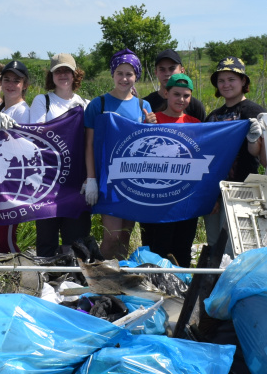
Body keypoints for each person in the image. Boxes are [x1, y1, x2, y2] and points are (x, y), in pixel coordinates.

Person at [83, 48, 155, 260]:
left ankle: (119, 281)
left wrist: (151, 125)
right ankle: (99, 278)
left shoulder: (144, 105)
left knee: (125, 235)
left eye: (129, 74)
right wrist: (91, 179)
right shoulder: (99, 104)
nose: (124, 78)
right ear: (113, 75)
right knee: (112, 236)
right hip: (107, 179)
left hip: (132, 178)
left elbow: (148, 146)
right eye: (120, 73)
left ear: (136, 77)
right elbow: (88, 144)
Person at [29, 53, 91, 258]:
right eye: (58, 71)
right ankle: (47, 282)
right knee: (46, 239)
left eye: (67, 71)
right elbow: (37, 136)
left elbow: (94, 141)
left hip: (76, 183)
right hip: (48, 182)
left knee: (77, 240)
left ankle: (76, 282)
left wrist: (91, 178)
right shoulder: (42, 101)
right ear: (52, 75)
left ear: (75, 75)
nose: (63, 75)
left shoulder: (86, 104)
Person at [202, 57, 267, 248]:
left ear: (243, 81)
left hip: (242, 190)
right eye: (221, 80)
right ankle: (213, 279)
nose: (226, 84)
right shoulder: (213, 116)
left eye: (231, 79)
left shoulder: (254, 112)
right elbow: (207, 157)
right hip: (214, 190)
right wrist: (210, 195)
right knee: (213, 243)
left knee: (234, 244)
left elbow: (259, 154)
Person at [141, 73, 201, 267]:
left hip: (185, 201)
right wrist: (144, 127)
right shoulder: (153, 120)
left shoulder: (197, 124)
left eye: (186, 95)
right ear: (166, 93)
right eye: (176, 94)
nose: (181, 100)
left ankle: (181, 293)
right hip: (155, 200)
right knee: (156, 250)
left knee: (182, 250)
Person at [0, 60, 32, 252]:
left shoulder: (23, 111)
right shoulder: (2, 110)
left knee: (5, 237)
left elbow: (25, 149)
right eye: (7, 79)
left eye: (16, 80)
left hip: (10, 182)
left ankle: (14, 276)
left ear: (24, 85)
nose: (11, 84)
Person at [143, 49, 205, 121]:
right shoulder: (146, 104)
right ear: (156, 72)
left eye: (172, 69)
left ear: (182, 71)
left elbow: (203, 130)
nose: (167, 73)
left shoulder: (195, 106)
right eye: (162, 69)